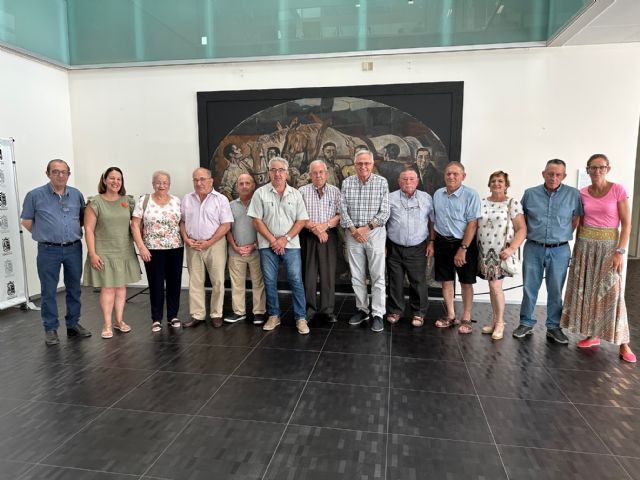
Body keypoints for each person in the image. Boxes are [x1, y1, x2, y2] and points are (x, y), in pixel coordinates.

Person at [561, 154, 635, 362]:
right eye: (593, 168)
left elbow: (627, 224)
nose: (597, 171)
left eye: (601, 167)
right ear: (587, 170)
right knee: (588, 291)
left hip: (609, 247)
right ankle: (593, 335)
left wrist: (620, 251)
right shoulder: (582, 193)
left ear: (608, 169)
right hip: (584, 245)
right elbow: (578, 221)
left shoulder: (618, 190)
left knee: (613, 293)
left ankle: (624, 344)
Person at [20, 159, 90, 345]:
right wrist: (45, 234)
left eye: (64, 172)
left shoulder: (76, 195)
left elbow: (82, 219)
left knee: (74, 288)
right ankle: (50, 329)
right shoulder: (34, 195)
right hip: (48, 250)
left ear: (69, 174)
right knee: (49, 291)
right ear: (48, 173)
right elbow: (26, 221)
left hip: (74, 248)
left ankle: (73, 324)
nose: (60, 175)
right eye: (55, 171)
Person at [513, 159, 583, 343]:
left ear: (564, 176)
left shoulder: (573, 195)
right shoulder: (530, 194)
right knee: (530, 288)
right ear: (543, 173)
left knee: (555, 290)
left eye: (558, 174)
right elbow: (523, 220)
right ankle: (526, 323)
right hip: (533, 247)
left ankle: (553, 327)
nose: (553, 177)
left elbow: (575, 220)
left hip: (560, 250)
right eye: (550, 173)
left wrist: (561, 236)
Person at [248, 157, 310, 334]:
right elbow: (256, 221)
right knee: (269, 281)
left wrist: (285, 239)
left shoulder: (296, 194)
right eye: (274, 170)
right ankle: (274, 316)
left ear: (287, 173)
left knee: (296, 280)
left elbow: (301, 220)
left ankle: (300, 318)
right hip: (267, 246)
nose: (277, 173)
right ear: (269, 172)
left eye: (281, 170)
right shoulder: (260, 193)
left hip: (291, 245)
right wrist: (274, 241)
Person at [83, 167, 141, 339]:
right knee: (108, 288)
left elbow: (136, 225)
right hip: (104, 252)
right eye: (112, 178)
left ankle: (119, 320)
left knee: (121, 288)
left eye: (119, 179)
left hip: (124, 250)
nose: (116, 182)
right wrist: (93, 253)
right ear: (104, 180)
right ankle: (107, 324)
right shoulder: (95, 202)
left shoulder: (127, 201)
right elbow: (88, 229)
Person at [340, 149, 390, 332]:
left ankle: (377, 313)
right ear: (355, 165)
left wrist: (365, 229)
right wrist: (354, 230)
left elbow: (385, 212)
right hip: (353, 234)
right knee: (357, 276)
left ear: (372, 164)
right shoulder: (347, 183)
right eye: (359, 163)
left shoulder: (381, 182)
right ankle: (362, 310)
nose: (363, 166)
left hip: (374, 233)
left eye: (366, 163)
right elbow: (342, 209)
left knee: (377, 276)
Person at [131, 171, 184, 332]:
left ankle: (173, 316)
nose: (162, 185)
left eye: (165, 182)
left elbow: (181, 223)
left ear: (169, 184)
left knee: (175, 283)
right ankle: (156, 318)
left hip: (175, 248)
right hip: (152, 249)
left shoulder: (176, 201)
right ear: (153, 184)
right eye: (158, 182)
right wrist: (141, 247)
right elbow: (134, 225)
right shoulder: (144, 201)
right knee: (156, 284)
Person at [180, 168, 233, 328]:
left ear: (211, 180)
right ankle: (197, 315)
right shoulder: (187, 199)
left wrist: (209, 242)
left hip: (215, 245)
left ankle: (216, 314)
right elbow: (181, 221)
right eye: (195, 180)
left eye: (202, 179)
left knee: (217, 280)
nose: (199, 183)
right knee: (195, 281)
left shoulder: (221, 199)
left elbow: (226, 225)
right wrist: (186, 238)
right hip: (193, 245)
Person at [432, 161, 481, 334]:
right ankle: (451, 315)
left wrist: (463, 248)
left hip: (464, 244)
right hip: (442, 242)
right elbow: (433, 220)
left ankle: (466, 317)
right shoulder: (438, 194)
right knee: (446, 281)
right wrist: (432, 241)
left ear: (463, 176)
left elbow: (473, 224)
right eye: (448, 174)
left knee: (466, 282)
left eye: (455, 174)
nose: (451, 177)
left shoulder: (471, 195)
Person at [476, 171, 526, 340]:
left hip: (501, 253)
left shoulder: (512, 203)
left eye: (500, 181)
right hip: (484, 251)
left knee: (496, 287)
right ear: (489, 184)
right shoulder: (481, 203)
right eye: (493, 181)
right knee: (492, 287)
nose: (496, 184)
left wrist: (512, 249)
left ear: (506, 185)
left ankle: (500, 323)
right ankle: (495, 320)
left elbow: (522, 229)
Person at [385, 168, 434, 327]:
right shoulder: (389, 198)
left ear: (417, 181)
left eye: (411, 179)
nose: (408, 182)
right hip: (394, 247)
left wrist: (431, 242)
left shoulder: (426, 198)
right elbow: (383, 222)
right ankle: (395, 311)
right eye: (404, 179)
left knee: (418, 281)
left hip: (418, 247)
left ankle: (419, 313)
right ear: (399, 182)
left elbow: (432, 221)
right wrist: (384, 245)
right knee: (395, 281)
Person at [299, 160, 341, 323]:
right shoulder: (302, 191)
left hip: (328, 236)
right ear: (310, 175)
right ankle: (309, 309)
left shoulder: (335, 191)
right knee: (308, 274)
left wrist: (325, 226)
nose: (318, 175)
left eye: (321, 172)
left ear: (326, 173)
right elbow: (299, 216)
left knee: (328, 274)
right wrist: (315, 229)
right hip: (308, 236)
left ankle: (327, 310)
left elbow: (339, 215)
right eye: (314, 173)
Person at [224, 173, 266, 325]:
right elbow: (226, 229)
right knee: (237, 284)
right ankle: (239, 312)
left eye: (247, 183)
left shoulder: (260, 204)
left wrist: (254, 245)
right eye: (241, 183)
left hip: (256, 250)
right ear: (237, 186)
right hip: (236, 251)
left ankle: (259, 312)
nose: (244, 186)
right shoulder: (230, 206)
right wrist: (235, 246)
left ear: (253, 185)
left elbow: (265, 228)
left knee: (258, 283)